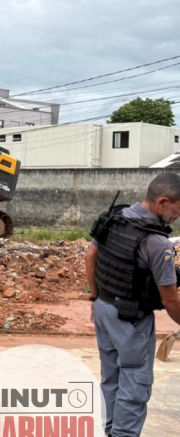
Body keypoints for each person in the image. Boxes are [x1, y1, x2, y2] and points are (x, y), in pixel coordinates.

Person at [85, 173, 180, 436]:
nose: (177, 217)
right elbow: (170, 299)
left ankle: (111, 431)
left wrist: (94, 297)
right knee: (134, 385)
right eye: (177, 209)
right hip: (130, 319)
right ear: (162, 202)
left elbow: (90, 255)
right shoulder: (157, 243)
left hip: (103, 309)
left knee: (111, 379)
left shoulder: (116, 216)